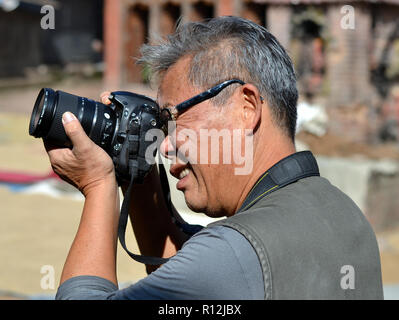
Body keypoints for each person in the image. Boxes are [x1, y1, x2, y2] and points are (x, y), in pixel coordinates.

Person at [51, 16, 383, 300]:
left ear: (245, 108)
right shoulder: (341, 213)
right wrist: (135, 172)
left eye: (175, 120)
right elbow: (186, 279)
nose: (165, 146)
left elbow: (214, 267)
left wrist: (98, 185)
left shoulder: (233, 252)